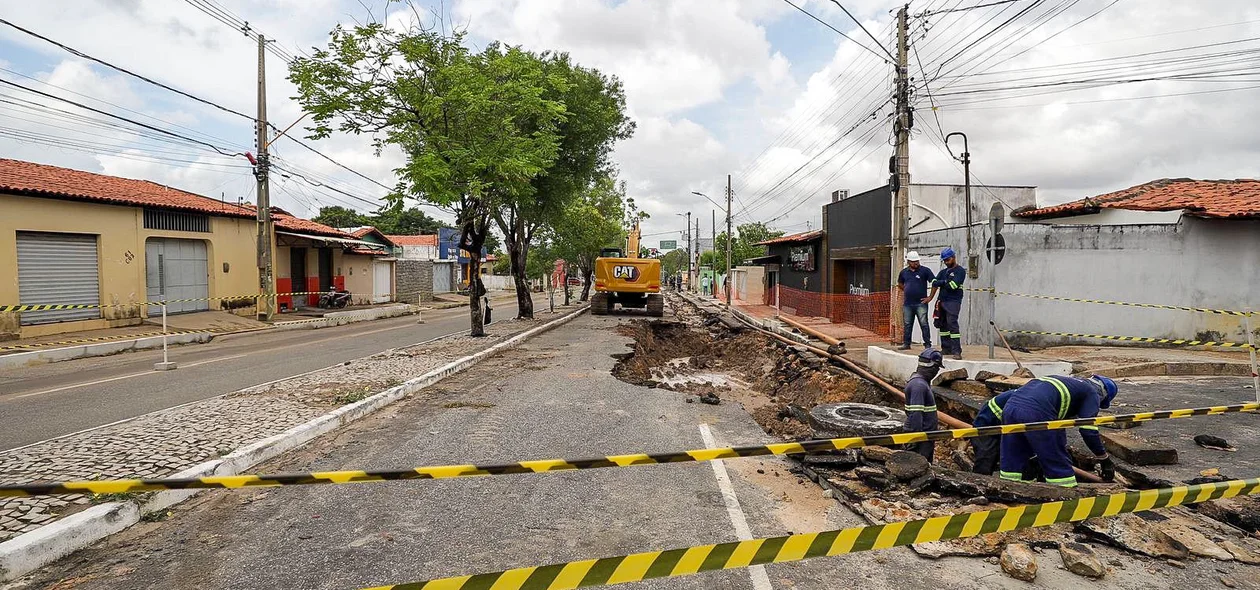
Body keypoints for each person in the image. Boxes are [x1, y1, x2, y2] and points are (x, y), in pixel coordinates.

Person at [999, 375, 1119, 487]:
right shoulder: (1091, 393)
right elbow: (1088, 430)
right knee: (1056, 459)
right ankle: (1065, 495)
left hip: (1010, 409)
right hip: (1037, 413)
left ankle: (1009, 489)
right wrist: (1104, 459)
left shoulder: (1069, 383)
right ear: (1103, 396)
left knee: (1014, 453)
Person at [923, 247, 967, 360]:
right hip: (942, 301)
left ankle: (956, 350)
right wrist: (942, 283)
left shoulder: (960, 271)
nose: (946, 262)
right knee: (942, 325)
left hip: (953, 301)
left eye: (948, 260)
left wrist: (941, 282)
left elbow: (953, 286)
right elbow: (934, 282)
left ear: (953, 258)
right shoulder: (943, 272)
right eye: (945, 260)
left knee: (952, 324)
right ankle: (946, 348)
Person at [903, 348, 942, 461]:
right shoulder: (919, 386)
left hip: (925, 436)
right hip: (921, 438)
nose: (937, 372)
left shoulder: (920, 383)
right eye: (937, 368)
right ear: (933, 367)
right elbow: (916, 414)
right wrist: (916, 439)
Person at [897, 251, 935, 350]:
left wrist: (930, 297)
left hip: (921, 303)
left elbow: (934, 283)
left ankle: (927, 344)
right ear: (908, 262)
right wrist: (906, 289)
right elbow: (900, 283)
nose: (916, 263)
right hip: (908, 304)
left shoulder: (925, 271)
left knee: (924, 323)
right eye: (913, 261)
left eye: (917, 261)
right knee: (907, 324)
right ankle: (906, 344)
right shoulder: (904, 272)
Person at [970, 389, 1014, 475]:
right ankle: (978, 484)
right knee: (985, 461)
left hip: (1001, 425)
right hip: (985, 426)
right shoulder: (1027, 401)